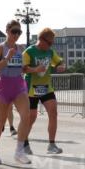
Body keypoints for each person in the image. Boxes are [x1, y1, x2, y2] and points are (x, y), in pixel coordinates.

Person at [0, 19, 32, 165]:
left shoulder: (21, 48)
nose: (16, 35)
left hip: (19, 85)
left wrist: (35, 69)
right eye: (14, 31)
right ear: (7, 31)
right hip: (4, 86)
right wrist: (7, 58)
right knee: (1, 122)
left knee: (26, 116)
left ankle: (19, 151)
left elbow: (23, 68)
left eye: (19, 32)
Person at [22, 27, 67, 155]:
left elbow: (59, 61)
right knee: (32, 117)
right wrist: (35, 69)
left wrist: (60, 66)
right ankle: (24, 142)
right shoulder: (29, 52)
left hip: (46, 88)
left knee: (53, 112)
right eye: (49, 43)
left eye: (52, 43)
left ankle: (51, 145)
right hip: (31, 88)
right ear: (41, 39)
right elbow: (23, 69)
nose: (51, 45)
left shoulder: (50, 52)